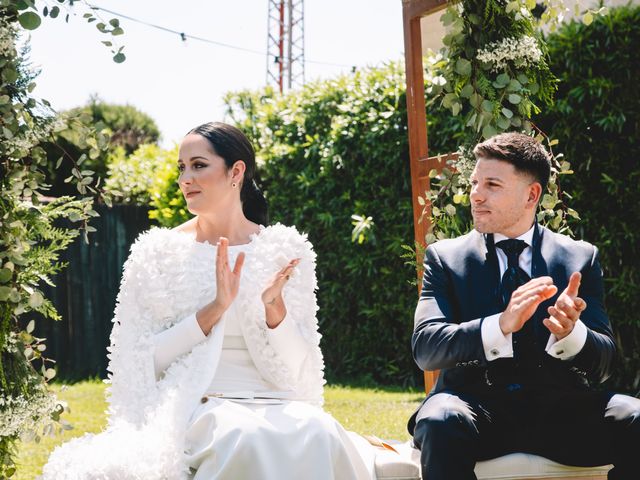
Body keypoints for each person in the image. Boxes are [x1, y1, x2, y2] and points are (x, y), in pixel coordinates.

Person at [43, 122, 375, 479]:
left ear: (236, 172)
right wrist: (212, 312)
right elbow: (136, 362)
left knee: (319, 431)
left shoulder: (283, 250)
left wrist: (274, 311)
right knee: (242, 438)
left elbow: (301, 367)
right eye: (181, 168)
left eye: (198, 165)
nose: (186, 178)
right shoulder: (157, 253)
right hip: (199, 403)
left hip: (275, 401)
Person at [408, 132, 640, 479]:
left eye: (492, 184)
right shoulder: (445, 258)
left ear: (532, 194)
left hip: (561, 415)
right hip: (472, 413)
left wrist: (572, 334)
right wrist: (499, 325)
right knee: (439, 418)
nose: (475, 194)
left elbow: (605, 363)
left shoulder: (580, 257)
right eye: (474, 182)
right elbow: (427, 347)